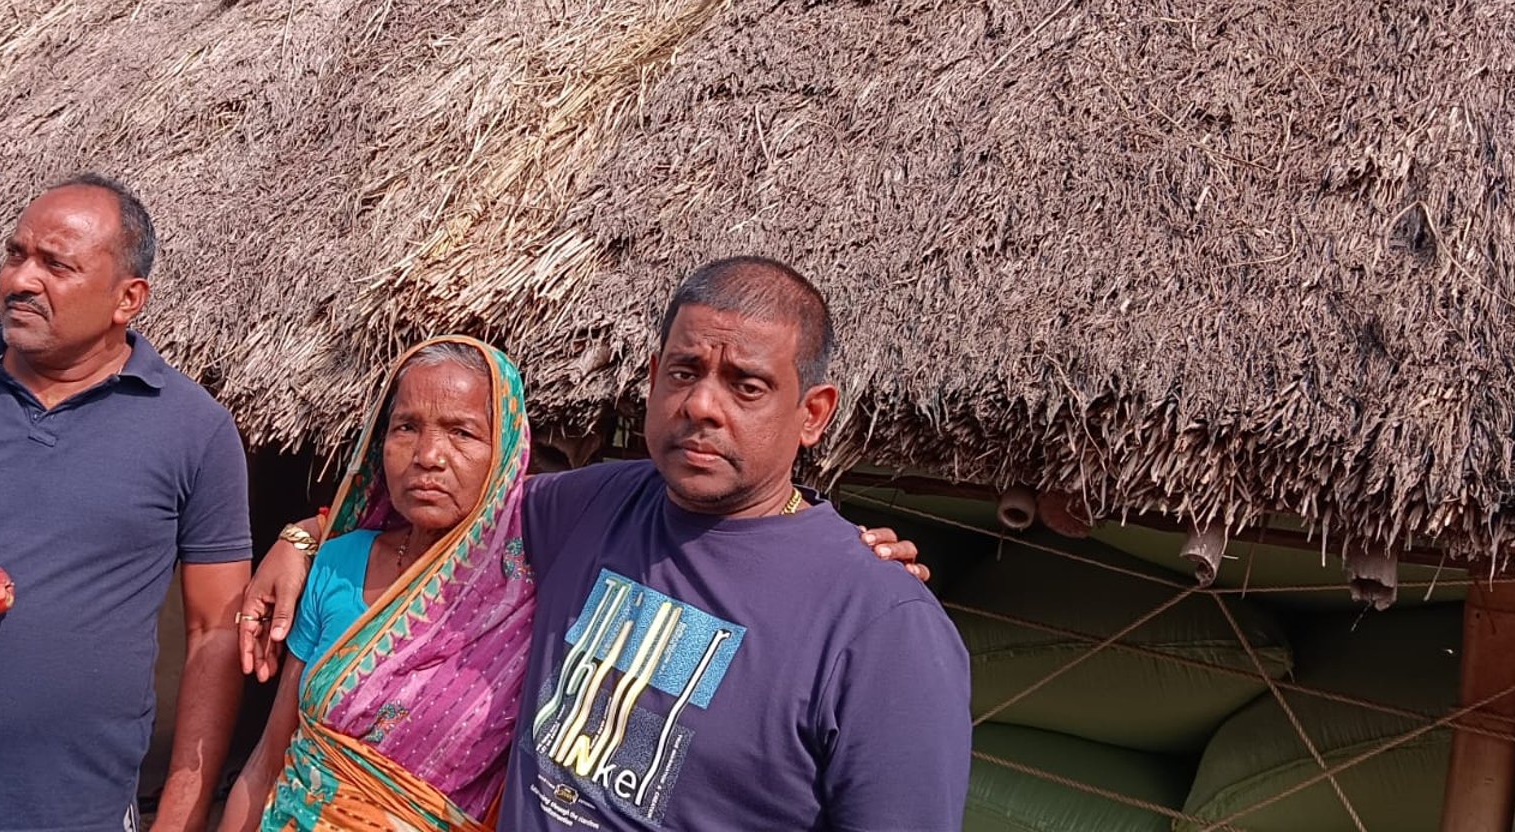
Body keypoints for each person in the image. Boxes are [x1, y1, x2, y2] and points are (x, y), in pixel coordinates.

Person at [240, 257, 971, 830]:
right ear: (652, 379)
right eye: (684, 372)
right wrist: (302, 536)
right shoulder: (594, 505)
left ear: (812, 413)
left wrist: (864, 579)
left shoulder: (881, 630)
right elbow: (451, 503)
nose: (702, 406)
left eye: (745, 386)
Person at [0, 175, 253, 832]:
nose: (20, 280)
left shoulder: (195, 431)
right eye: (15, 255)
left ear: (127, 298)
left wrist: (183, 820)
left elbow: (216, 633)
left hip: (86, 816)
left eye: (56, 265)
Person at [221, 337, 533, 832]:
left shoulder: (525, 600)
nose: (428, 455)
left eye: (462, 433)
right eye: (406, 427)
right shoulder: (340, 561)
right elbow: (268, 761)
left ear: (505, 453)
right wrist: (303, 537)